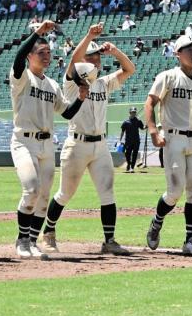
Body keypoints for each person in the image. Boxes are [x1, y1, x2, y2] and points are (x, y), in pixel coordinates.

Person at [39, 23, 136, 255]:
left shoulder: (103, 83)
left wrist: (114, 52)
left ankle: (109, 240)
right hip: (77, 144)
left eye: (96, 57)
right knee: (65, 193)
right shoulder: (73, 84)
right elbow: (74, 59)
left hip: (100, 145)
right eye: (91, 57)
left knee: (107, 193)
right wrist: (89, 36)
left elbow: (129, 69)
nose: (95, 60)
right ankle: (48, 232)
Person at [10, 21, 87, 260]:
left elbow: (66, 113)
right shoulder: (22, 78)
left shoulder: (52, 84)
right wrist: (37, 33)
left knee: (43, 197)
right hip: (24, 141)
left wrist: (81, 99)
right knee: (31, 188)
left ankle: (33, 241)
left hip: (46, 144)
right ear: (30, 56)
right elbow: (17, 57)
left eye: (49, 53)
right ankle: (21, 240)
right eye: (41, 53)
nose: (46, 56)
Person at [144, 35, 192, 254]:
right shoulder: (168, 77)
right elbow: (150, 102)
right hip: (173, 138)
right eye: (189, 48)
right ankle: (157, 222)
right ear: (177, 53)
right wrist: (154, 130)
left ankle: (190, 240)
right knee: (174, 193)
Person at [119, 107, 144, 173]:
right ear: (130, 113)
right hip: (128, 141)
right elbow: (122, 131)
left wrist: (146, 126)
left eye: (134, 112)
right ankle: (129, 164)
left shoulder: (138, 121)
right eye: (132, 112)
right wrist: (120, 140)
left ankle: (132, 167)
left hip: (136, 141)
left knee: (135, 154)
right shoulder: (125, 122)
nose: (133, 113)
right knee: (127, 154)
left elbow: (142, 128)